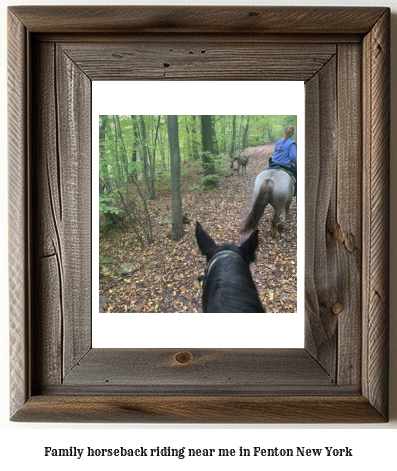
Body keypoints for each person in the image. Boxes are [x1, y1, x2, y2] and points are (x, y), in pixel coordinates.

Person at [268, 125, 297, 196]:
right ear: (293, 133)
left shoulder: (278, 142)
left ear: (284, 132)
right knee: (298, 176)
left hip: (273, 163)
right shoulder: (292, 143)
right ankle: (296, 192)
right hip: (285, 165)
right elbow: (293, 157)